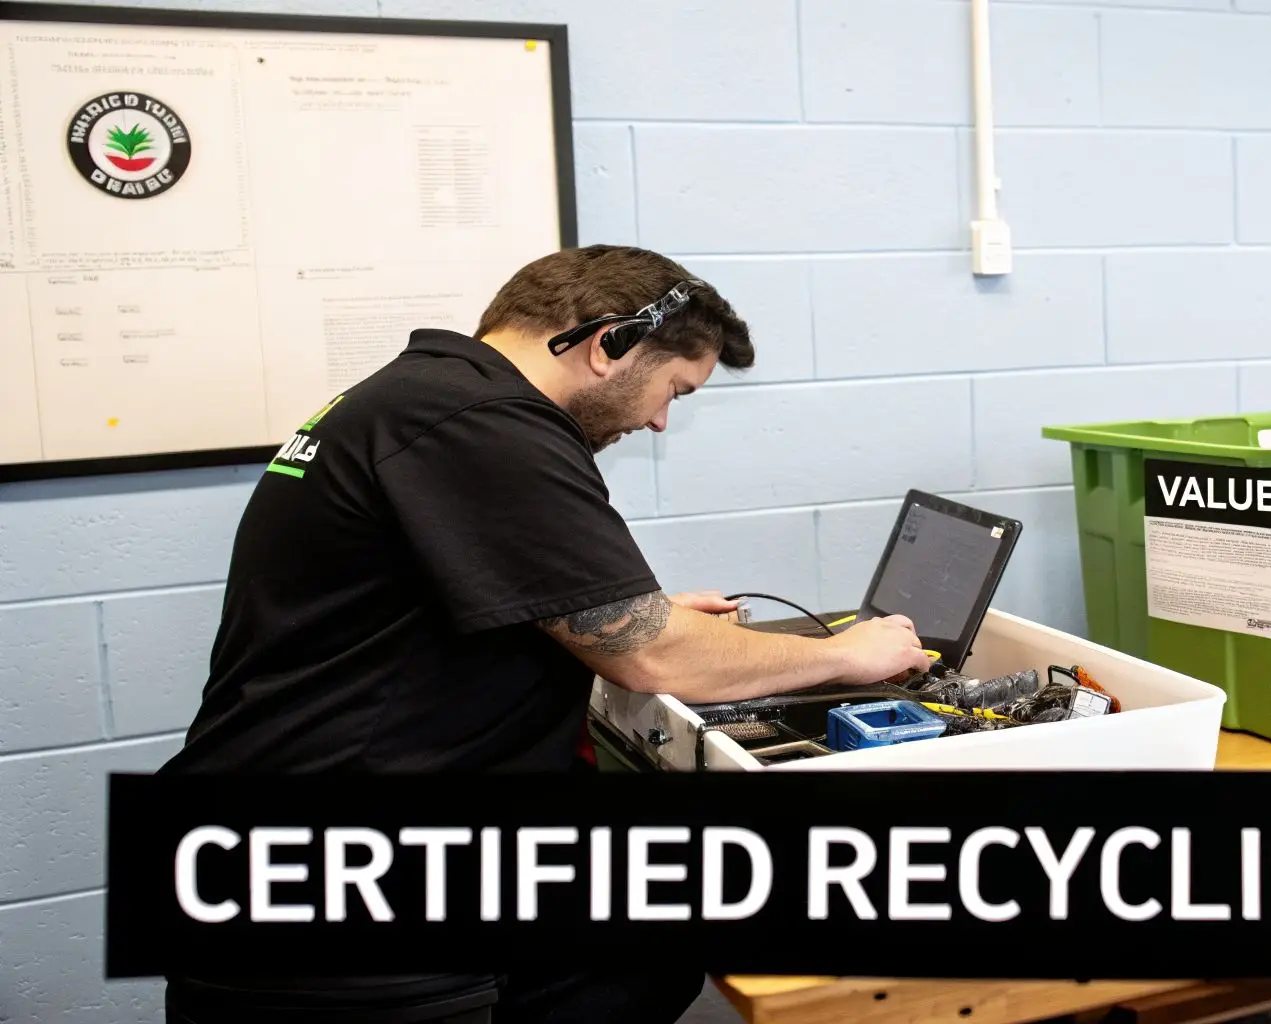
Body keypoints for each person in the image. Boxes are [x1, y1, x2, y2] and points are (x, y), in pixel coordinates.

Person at [158, 245, 933, 1023]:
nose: (661, 420)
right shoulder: (482, 422)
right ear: (611, 344)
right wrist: (842, 654)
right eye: (673, 389)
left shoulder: (425, 397)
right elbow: (649, 650)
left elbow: (507, 605)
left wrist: (628, 614)